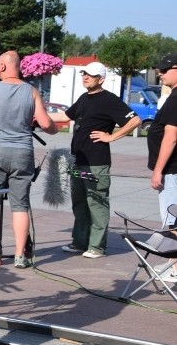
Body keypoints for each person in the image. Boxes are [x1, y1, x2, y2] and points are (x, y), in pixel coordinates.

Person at [50, 61, 141, 258]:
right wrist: (36, 115)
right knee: (79, 202)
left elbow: (135, 120)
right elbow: (64, 116)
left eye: (90, 75)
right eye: (84, 74)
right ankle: (80, 242)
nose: (85, 77)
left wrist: (111, 137)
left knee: (96, 202)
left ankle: (97, 246)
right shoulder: (84, 98)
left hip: (96, 162)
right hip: (77, 161)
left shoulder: (109, 99)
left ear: (101, 79)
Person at [0, 51, 58, 269]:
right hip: (22, 152)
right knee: (20, 204)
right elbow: (45, 124)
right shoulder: (31, 91)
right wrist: (53, 127)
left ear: (3, 67)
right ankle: (19, 255)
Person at [147, 53, 177, 282]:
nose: (160, 73)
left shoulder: (176, 98)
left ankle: (176, 269)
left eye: (165, 69)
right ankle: (172, 264)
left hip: (172, 170)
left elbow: (171, 137)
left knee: (172, 220)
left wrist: (158, 170)